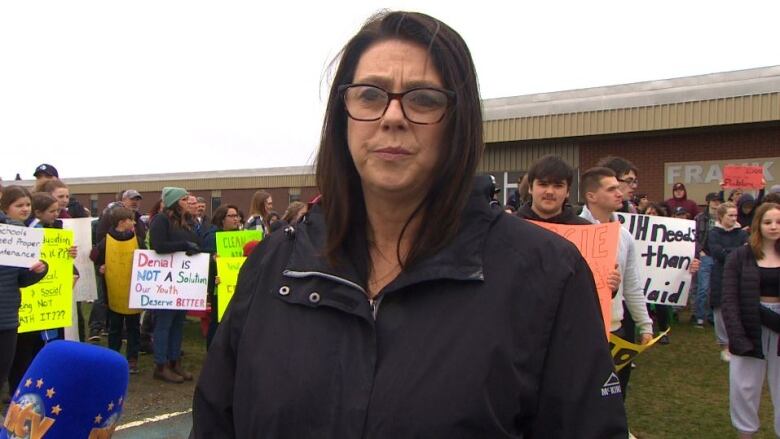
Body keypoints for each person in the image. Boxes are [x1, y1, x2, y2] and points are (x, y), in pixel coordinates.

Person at [192, 11, 626, 438]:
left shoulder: (548, 274)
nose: (393, 116)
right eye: (369, 95)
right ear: (342, 115)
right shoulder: (275, 264)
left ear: (458, 121)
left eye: (423, 98)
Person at [579, 167, 653, 400]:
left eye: (618, 187)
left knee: (615, 393)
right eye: (611, 189)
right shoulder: (573, 231)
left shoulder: (625, 236)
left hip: (616, 330)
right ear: (591, 196)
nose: (619, 192)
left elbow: (632, 285)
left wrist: (645, 323)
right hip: (583, 329)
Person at [722, 202, 780, 438]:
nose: (774, 227)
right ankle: (746, 432)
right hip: (749, 324)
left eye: (778, 222)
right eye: (768, 222)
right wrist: (736, 335)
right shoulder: (740, 256)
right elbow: (729, 299)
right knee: (744, 386)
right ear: (758, 225)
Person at [0, 186, 48, 403]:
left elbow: (22, 278)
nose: (25, 209)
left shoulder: (15, 230)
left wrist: (40, 269)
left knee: (2, 372)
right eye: (19, 204)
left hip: (6, 317)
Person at [148, 187, 200, 384]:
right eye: (185, 199)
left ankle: (174, 360)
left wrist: (194, 249)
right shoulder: (161, 220)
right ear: (176, 201)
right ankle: (160, 364)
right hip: (165, 281)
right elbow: (158, 245)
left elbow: (193, 241)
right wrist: (184, 246)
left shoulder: (186, 221)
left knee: (178, 323)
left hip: (182, 281)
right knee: (164, 323)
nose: (189, 202)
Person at [90, 207, 146, 374]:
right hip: (113, 292)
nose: (134, 222)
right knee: (114, 327)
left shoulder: (138, 240)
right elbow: (94, 257)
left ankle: (132, 358)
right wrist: (100, 267)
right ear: (122, 222)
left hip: (132, 291)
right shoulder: (106, 241)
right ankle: (113, 357)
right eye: (130, 219)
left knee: (134, 327)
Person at [707, 202, 748, 362]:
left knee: (740, 307)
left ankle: (738, 342)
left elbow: (745, 252)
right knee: (720, 309)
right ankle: (724, 345)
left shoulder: (742, 234)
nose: (733, 218)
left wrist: (729, 251)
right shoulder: (714, 233)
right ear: (721, 216)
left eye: (735, 215)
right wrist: (735, 251)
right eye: (730, 215)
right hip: (719, 275)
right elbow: (717, 253)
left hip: (740, 275)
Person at [201, 204, 242, 348]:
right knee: (217, 320)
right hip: (218, 285)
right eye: (232, 216)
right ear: (222, 219)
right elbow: (203, 259)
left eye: (237, 216)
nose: (236, 219)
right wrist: (213, 259)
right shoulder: (212, 237)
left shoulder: (239, 236)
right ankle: (212, 350)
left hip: (234, 284)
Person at [516, 155, 593, 225]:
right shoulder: (508, 225)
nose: (550, 192)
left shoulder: (584, 229)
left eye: (558, 186)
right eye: (543, 184)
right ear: (530, 188)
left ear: (567, 191)